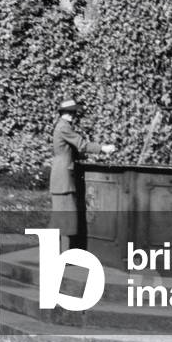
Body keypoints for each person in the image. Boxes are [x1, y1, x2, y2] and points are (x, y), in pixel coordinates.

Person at [50, 98, 115, 250]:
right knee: (66, 220)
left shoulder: (62, 126)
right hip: (63, 179)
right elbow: (82, 145)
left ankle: (54, 254)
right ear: (63, 113)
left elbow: (71, 150)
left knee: (60, 219)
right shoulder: (64, 127)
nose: (73, 115)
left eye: (73, 112)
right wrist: (103, 149)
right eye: (70, 112)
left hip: (62, 177)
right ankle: (63, 257)